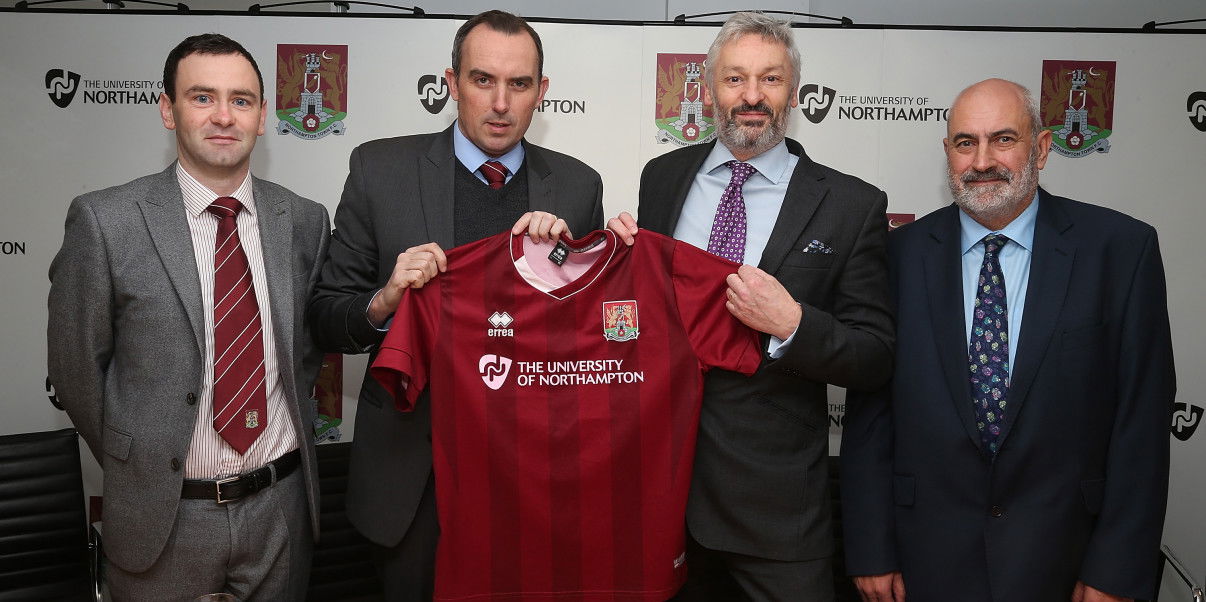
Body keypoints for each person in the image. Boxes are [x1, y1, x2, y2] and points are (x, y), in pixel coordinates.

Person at [307, 10, 603, 600]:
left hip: (532, 474)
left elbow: (591, 340)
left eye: (519, 85)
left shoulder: (576, 186)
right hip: (414, 480)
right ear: (451, 81)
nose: (500, 102)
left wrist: (568, 267)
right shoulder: (380, 170)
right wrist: (386, 299)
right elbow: (325, 315)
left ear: (541, 93)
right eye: (481, 79)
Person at [840, 78, 1174, 602]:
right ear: (947, 152)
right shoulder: (895, 257)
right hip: (923, 559)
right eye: (965, 143)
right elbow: (870, 414)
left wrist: (1117, 568)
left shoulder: (1120, 251)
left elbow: (1143, 424)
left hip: (1066, 559)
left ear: (1041, 149)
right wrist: (869, 547)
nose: (982, 161)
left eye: (1003, 139)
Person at [611, 11, 894, 600]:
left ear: (792, 92)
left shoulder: (851, 204)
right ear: (710, 89)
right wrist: (617, 270)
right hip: (662, 493)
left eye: (770, 79)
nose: (752, 96)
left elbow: (875, 356)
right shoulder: (661, 179)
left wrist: (794, 325)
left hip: (778, 511)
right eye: (735, 78)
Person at [47, 33, 330, 600]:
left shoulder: (303, 219)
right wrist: (142, 464)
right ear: (167, 109)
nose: (224, 115)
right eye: (202, 97)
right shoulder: (106, 221)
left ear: (263, 116)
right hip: (164, 520)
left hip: (280, 510)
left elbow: (303, 353)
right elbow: (77, 372)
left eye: (241, 100)